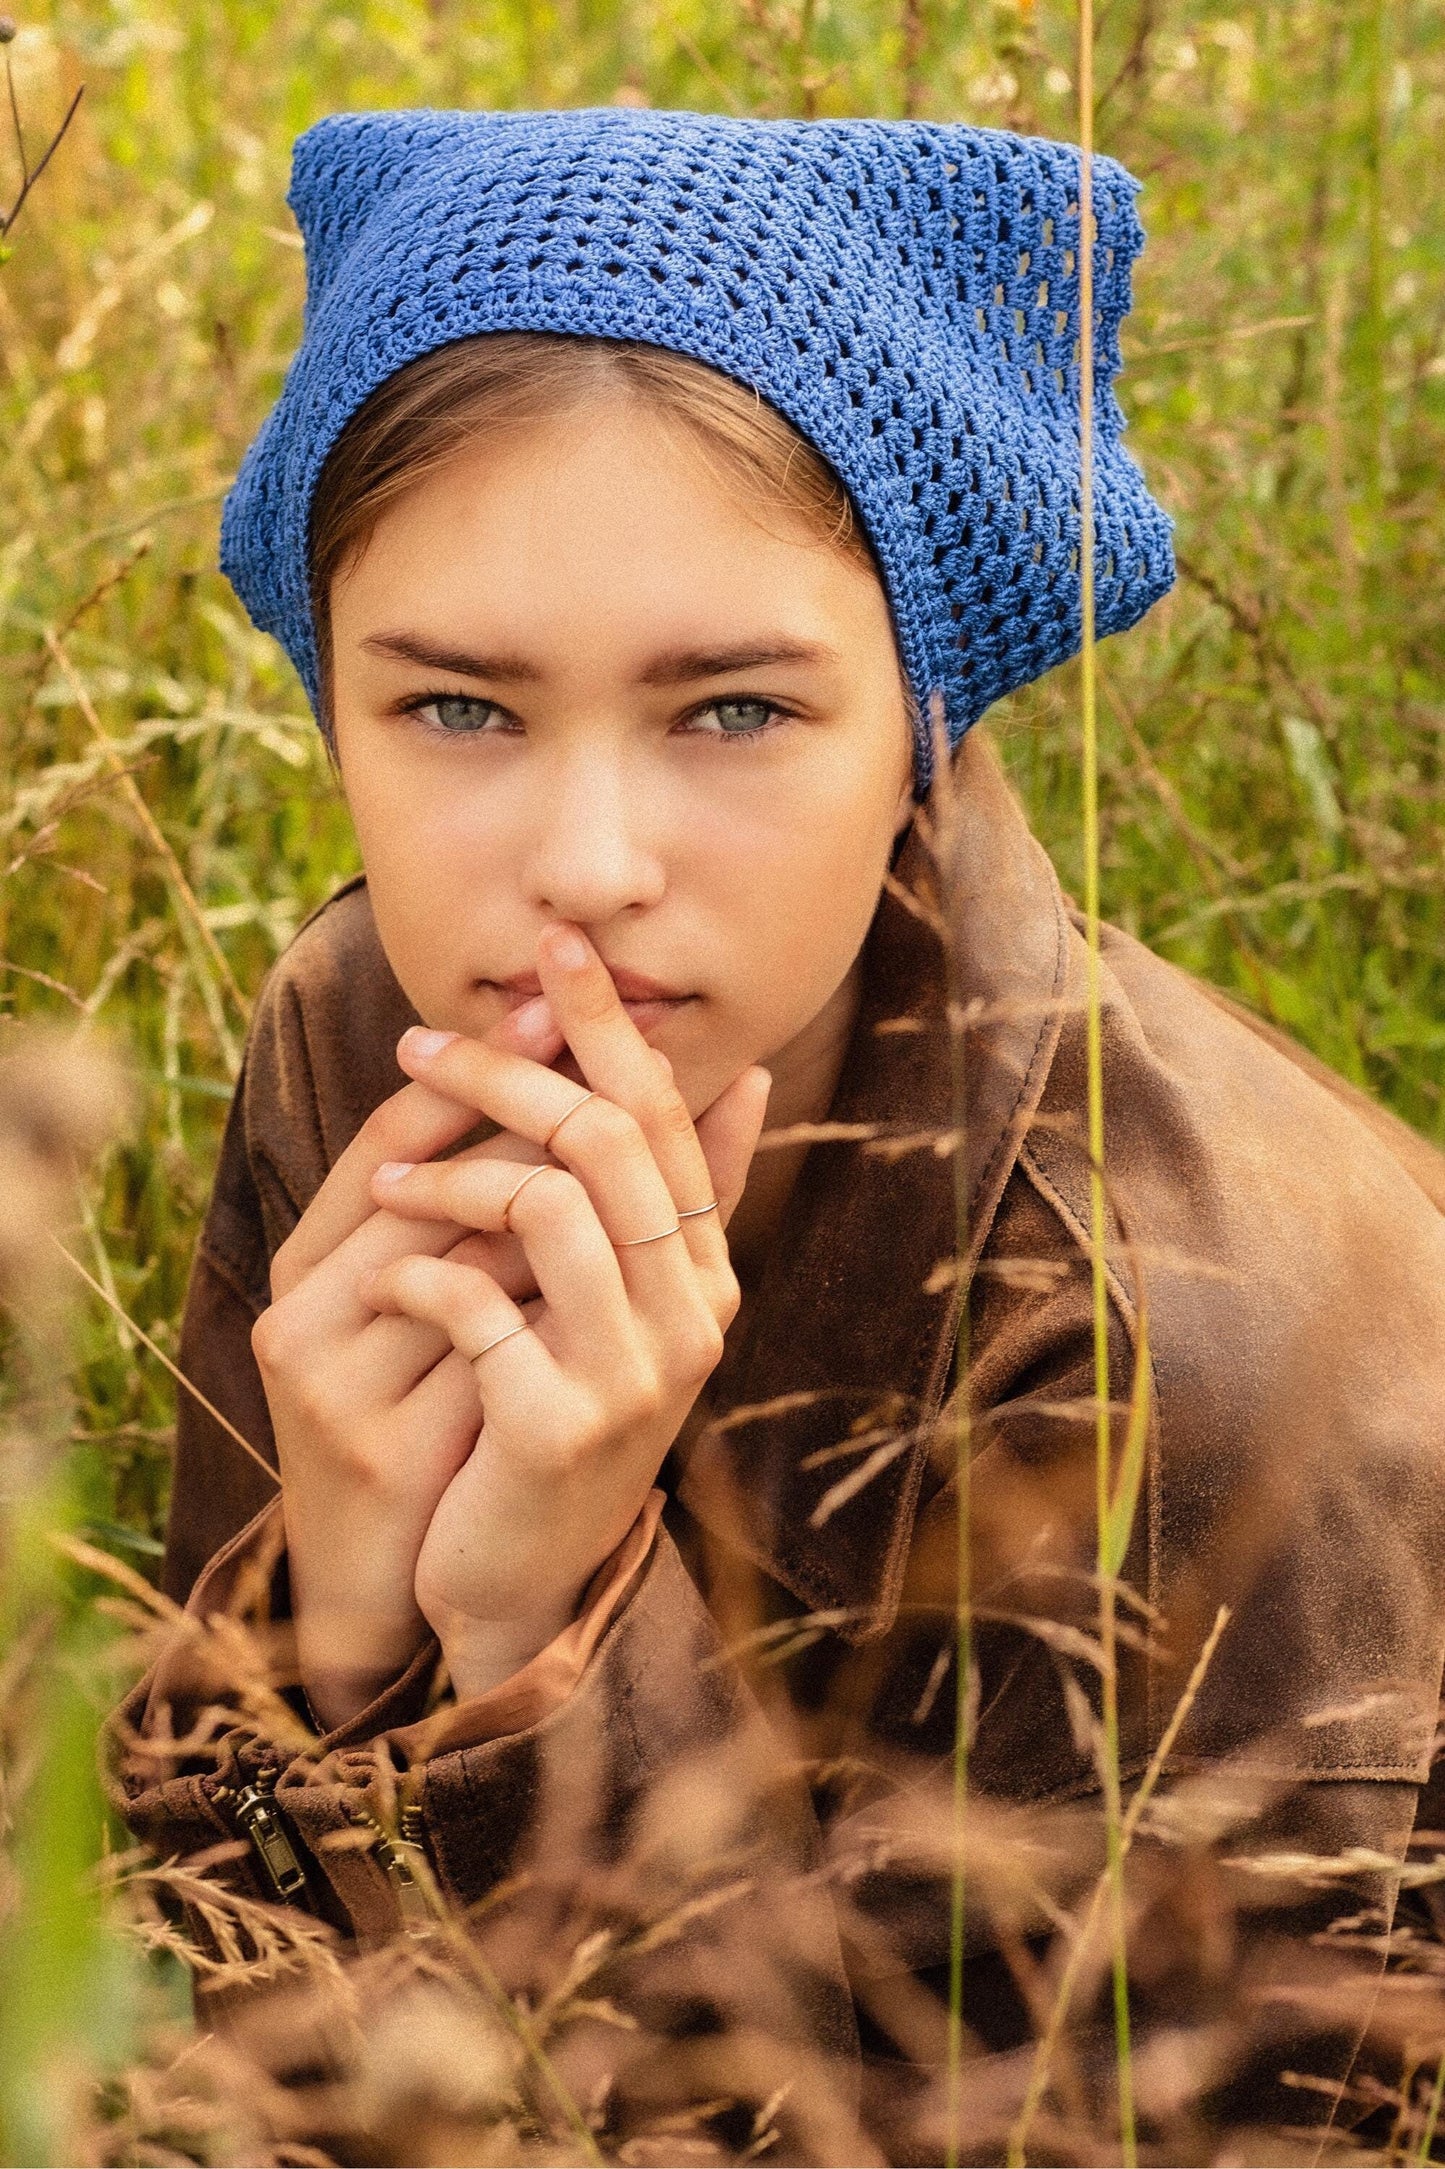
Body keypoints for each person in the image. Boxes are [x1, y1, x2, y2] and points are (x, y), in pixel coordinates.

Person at [110, 107, 1445, 2164]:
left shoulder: (1214, 1350)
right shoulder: (367, 1037)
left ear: (920, 714)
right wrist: (343, 1641)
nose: (583, 864)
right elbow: (259, 2051)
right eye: (457, 708)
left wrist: (541, 1645)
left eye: (731, 709)